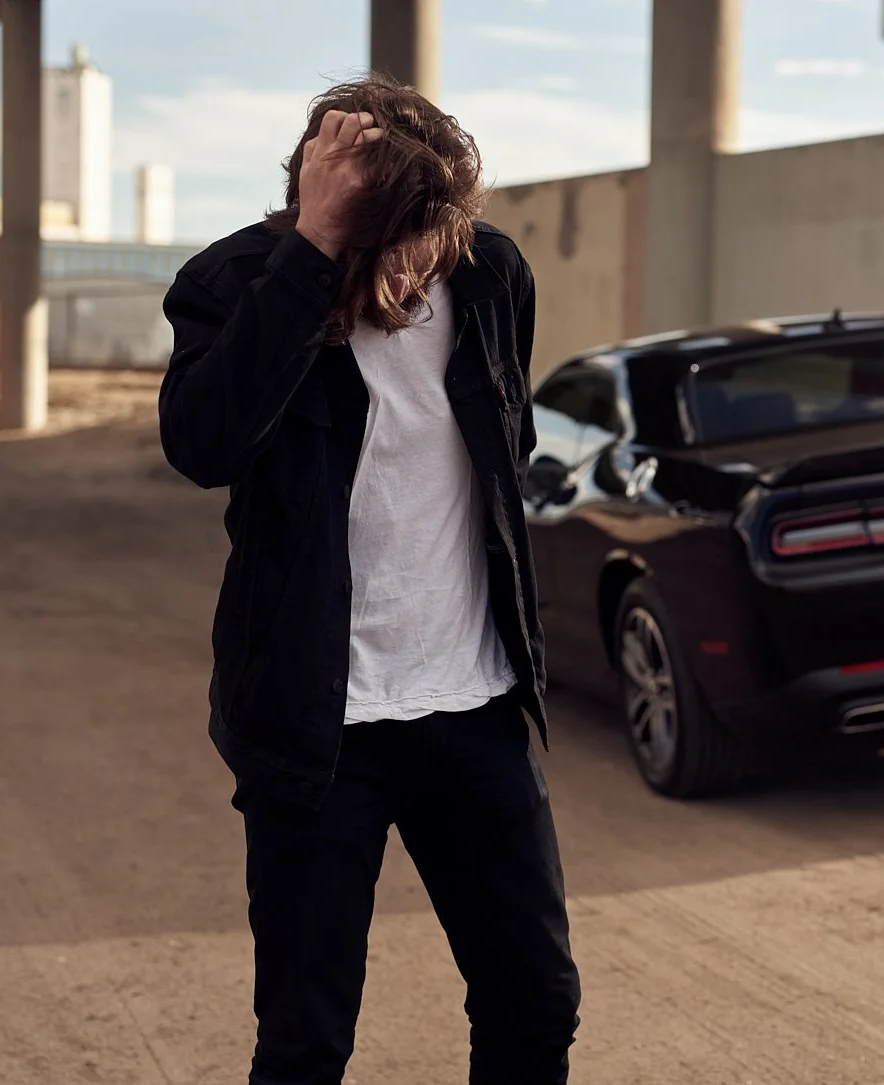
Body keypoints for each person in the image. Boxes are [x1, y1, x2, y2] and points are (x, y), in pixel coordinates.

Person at [157, 75, 580, 1085]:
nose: (421, 258)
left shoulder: (488, 276)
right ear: (329, 206)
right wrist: (310, 256)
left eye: (436, 226)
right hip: (316, 726)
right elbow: (204, 443)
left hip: (470, 706)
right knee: (306, 1039)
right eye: (392, 231)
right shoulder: (235, 283)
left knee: (535, 1000)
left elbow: (499, 451)